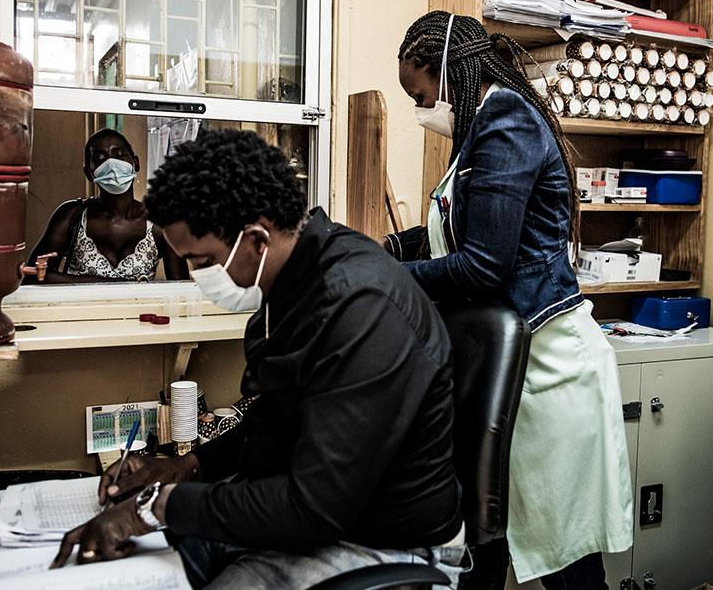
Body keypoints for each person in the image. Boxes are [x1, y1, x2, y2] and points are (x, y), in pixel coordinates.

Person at [51, 130, 467, 589]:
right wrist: (188, 466)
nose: (195, 274)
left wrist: (156, 507)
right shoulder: (295, 277)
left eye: (202, 259)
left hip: (383, 543)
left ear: (254, 240)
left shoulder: (360, 307)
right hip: (315, 514)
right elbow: (283, 414)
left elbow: (313, 508)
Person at [385, 10, 633, 588]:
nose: (421, 111)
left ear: (449, 73)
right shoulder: (479, 127)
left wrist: (390, 278)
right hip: (508, 372)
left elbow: (485, 264)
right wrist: (390, 249)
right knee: (487, 547)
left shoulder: (506, 120)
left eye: (420, 95)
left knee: (568, 561)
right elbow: (469, 228)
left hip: (549, 374)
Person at [24, 128, 187, 283]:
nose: (111, 164)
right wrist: (113, 284)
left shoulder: (161, 222)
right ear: (89, 173)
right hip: (78, 313)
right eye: (100, 159)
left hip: (140, 313)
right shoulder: (72, 215)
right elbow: (32, 275)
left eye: (119, 154)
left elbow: (183, 288)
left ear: (135, 163)